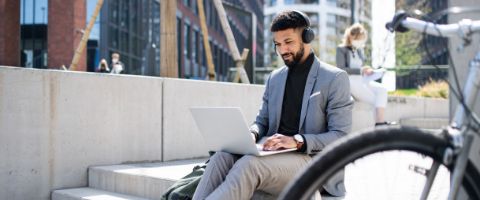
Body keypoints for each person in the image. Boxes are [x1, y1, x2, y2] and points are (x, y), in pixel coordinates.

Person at [192, 10, 353, 200]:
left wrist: (298, 140)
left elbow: (341, 136)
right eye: (277, 44)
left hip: (310, 162)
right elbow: (263, 120)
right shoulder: (275, 78)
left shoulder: (335, 78)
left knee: (249, 165)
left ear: (307, 37)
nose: (282, 50)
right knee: (221, 157)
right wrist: (252, 133)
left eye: (288, 42)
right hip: (272, 156)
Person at [336, 23, 390, 126]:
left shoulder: (360, 50)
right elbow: (341, 69)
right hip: (350, 81)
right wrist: (361, 70)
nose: (361, 42)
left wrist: (368, 71)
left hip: (362, 79)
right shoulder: (341, 49)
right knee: (375, 99)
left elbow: (361, 67)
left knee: (382, 90)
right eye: (359, 39)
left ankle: (380, 122)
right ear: (352, 37)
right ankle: (379, 123)